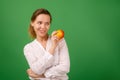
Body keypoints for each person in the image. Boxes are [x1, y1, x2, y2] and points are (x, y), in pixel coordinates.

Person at [23, 8, 70, 80]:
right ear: (32, 23)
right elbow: (36, 70)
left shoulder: (59, 40)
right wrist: (53, 47)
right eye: (39, 23)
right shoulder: (28, 48)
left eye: (47, 23)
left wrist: (42, 75)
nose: (43, 27)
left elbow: (65, 67)